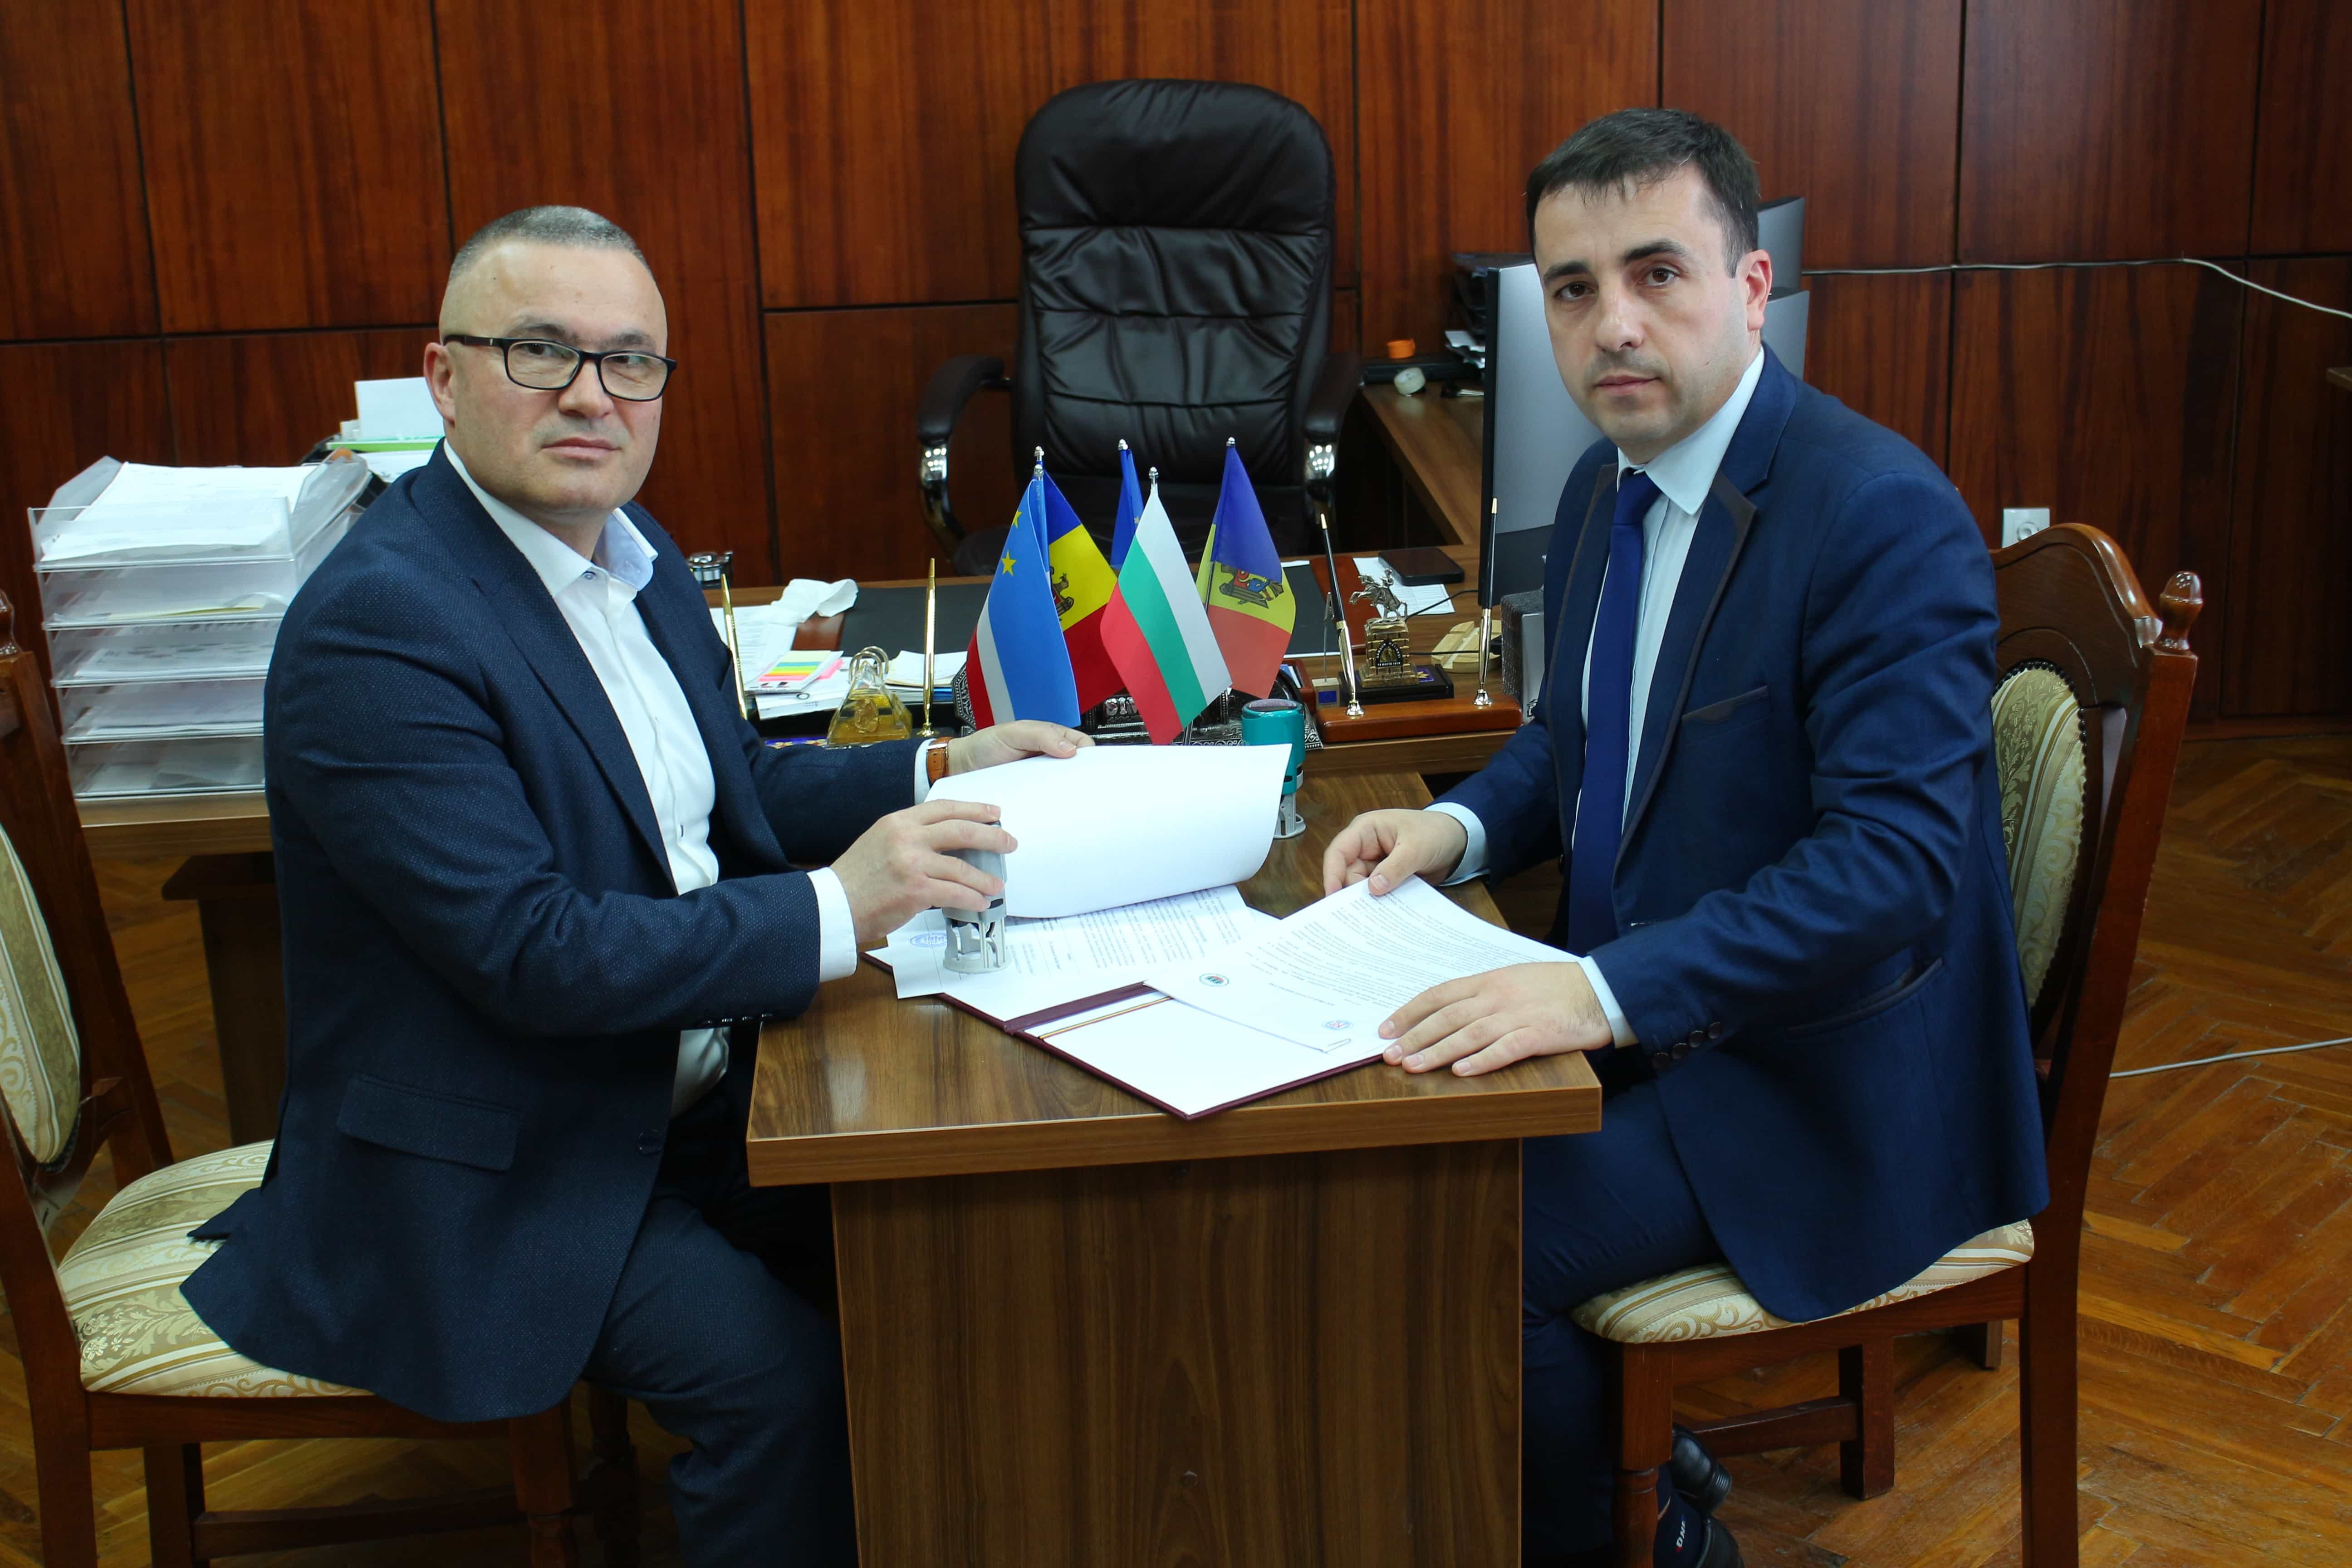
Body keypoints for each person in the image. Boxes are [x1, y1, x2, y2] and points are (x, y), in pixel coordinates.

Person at [183, 205, 1084, 1565]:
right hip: (510, 1161)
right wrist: (837, 907)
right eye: (541, 351)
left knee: (967, 1261)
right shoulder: (380, 629)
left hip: (693, 1093)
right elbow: (534, 952)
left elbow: (732, 795)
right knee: (783, 1391)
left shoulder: (628, 551)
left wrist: (938, 764)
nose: (592, 395)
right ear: (443, 377)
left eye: (631, 360)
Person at [1323, 111, 2047, 1568]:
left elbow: (1894, 869)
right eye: (1573, 289)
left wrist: (1599, 992)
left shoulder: (1880, 516)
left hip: (1814, 1082)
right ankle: (1635, 1464)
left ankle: (1654, 1543)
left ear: (1753, 285)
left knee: (1461, 1241)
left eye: (1657, 273)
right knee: (1376, 1163)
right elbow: (1581, 736)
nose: (1614, 325)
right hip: (1661, 1031)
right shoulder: (1608, 483)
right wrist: (1455, 825)